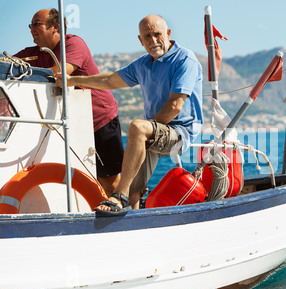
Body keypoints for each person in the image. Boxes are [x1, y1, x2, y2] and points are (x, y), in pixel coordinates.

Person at [57, 14, 203, 214]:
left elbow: (176, 105)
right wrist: (72, 81)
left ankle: (118, 196)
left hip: (179, 132)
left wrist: (147, 131)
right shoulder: (143, 64)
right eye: (147, 36)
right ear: (140, 40)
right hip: (154, 131)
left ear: (168, 33)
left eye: (158, 34)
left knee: (137, 127)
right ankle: (130, 218)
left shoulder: (184, 59)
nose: (153, 41)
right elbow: (110, 80)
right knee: (134, 190)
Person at [14, 8, 124, 197]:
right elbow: (7, 63)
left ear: (55, 27)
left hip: (100, 120)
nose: (31, 29)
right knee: (85, 178)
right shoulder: (33, 53)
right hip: (72, 125)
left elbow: (60, 73)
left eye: (36, 24)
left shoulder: (73, 44)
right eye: (30, 25)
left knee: (109, 180)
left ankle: (128, 214)